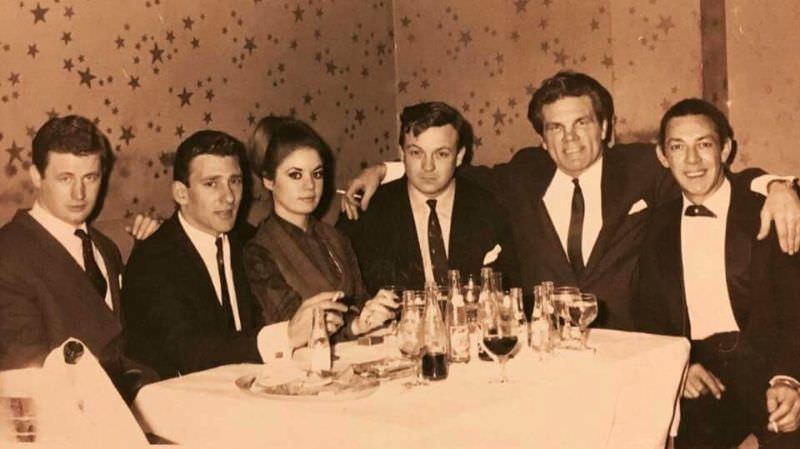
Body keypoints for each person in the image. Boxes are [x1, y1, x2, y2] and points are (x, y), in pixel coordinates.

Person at [342, 71, 800, 330]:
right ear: (542, 139)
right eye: (556, 128)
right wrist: (386, 169)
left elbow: (709, 174)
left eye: (582, 123)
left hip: (631, 344)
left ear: (604, 127)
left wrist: (775, 186)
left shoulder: (643, 168)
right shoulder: (522, 175)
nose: (571, 139)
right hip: (548, 350)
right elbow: (446, 169)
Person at [636, 98, 800, 448]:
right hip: (700, 370)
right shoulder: (654, 225)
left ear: (725, 149)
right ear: (663, 157)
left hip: (771, 366)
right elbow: (648, 311)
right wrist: (678, 368)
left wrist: (789, 378)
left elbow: (795, 306)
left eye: (704, 144)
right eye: (678, 147)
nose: (692, 161)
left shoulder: (770, 210)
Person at [122, 130, 347, 379]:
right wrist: (287, 335)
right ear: (181, 193)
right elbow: (189, 352)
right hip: (182, 399)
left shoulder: (247, 240)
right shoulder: (153, 260)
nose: (229, 197)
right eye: (211, 183)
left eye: (235, 181)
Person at [0, 115, 153, 402]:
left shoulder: (105, 247)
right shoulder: (8, 254)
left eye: (90, 178)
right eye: (65, 178)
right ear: (36, 176)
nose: (79, 193)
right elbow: (25, 377)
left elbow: (121, 346)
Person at [337, 101, 519, 293]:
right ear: (402, 153)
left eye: (441, 154)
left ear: (459, 156)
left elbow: (511, 286)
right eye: (416, 153)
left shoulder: (489, 207)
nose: (428, 167)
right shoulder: (367, 210)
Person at [243, 119, 397, 338]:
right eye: (295, 175)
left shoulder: (337, 237)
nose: (309, 186)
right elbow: (291, 326)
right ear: (269, 181)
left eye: (317, 174)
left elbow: (361, 301)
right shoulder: (258, 251)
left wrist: (377, 315)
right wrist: (356, 326)